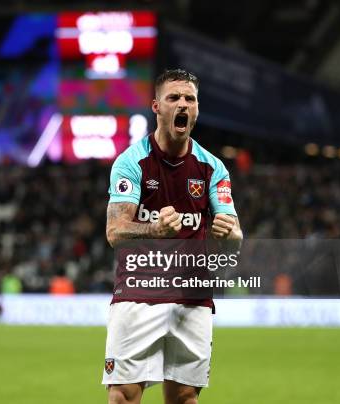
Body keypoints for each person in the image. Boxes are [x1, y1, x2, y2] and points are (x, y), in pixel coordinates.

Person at [103, 69, 243, 404]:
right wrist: (153, 229)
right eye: (174, 98)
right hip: (138, 291)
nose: (183, 104)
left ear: (196, 109)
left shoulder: (213, 168)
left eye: (190, 99)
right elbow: (114, 231)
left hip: (191, 296)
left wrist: (228, 233)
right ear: (156, 107)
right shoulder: (131, 162)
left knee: (184, 399)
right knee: (123, 396)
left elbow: (235, 235)